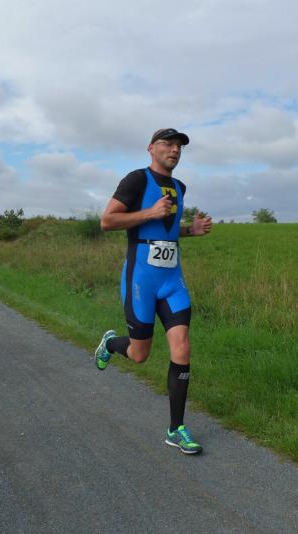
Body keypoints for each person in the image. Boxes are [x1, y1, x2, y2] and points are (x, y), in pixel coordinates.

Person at [95, 127, 212, 455]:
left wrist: (190, 230)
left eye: (179, 146)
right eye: (167, 144)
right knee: (139, 354)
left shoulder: (179, 187)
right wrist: (149, 211)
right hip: (141, 280)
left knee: (182, 347)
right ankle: (111, 343)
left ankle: (176, 429)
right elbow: (107, 221)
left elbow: (166, 230)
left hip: (172, 280)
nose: (174, 150)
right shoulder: (136, 180)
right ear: (151, 148)